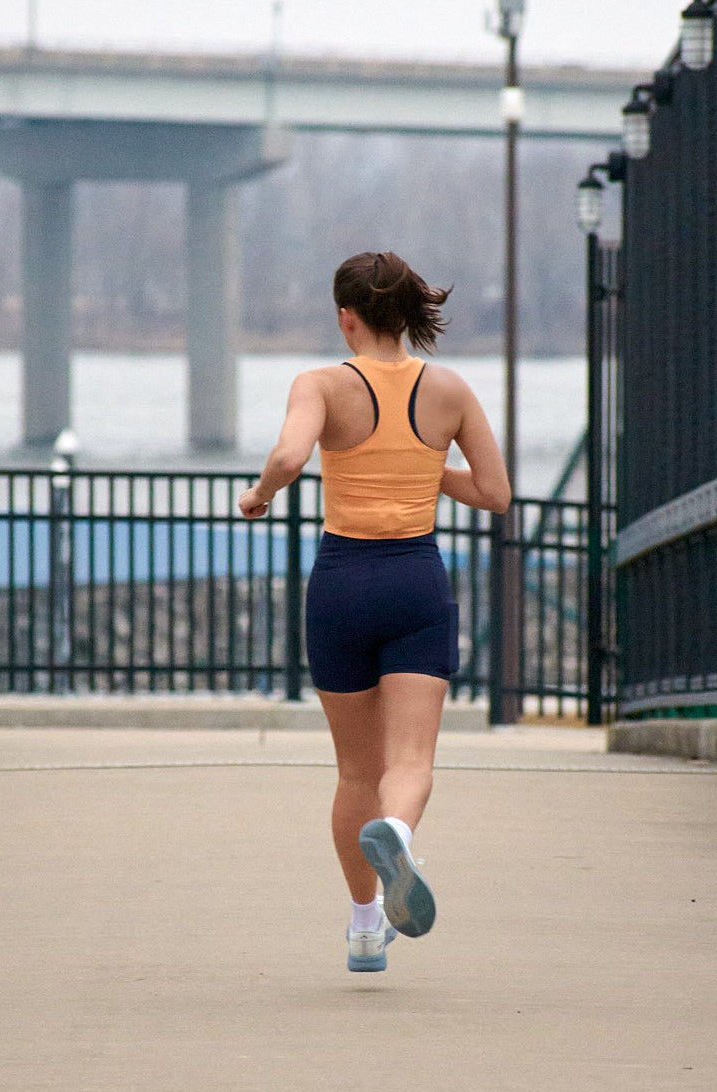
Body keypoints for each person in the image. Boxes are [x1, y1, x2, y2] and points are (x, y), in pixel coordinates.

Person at [238, 251, 511, 973]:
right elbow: (494, 493)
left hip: (341, 584)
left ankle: (364, 929)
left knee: (353, 770)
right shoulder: (448, 388)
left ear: (345, 317)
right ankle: (395, 830)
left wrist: (259, 493)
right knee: (410, 759)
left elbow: (291, 456)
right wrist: (427, 466)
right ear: (406, 314)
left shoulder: (321, 384)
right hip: (415, 580)